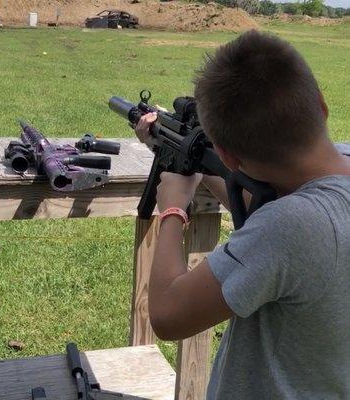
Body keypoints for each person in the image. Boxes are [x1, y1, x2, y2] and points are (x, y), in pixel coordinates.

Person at [134, 30, 350, 399]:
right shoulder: (327, 186)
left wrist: (172, 208)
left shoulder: (289, 228)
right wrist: (201, 166)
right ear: (321, 104)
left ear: (230, 157)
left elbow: (168, 315)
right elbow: (266, 199)